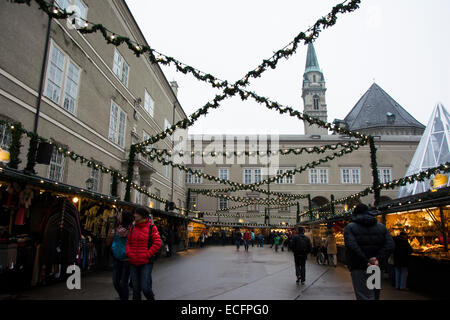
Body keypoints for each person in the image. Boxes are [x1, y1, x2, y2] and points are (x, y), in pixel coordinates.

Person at [344, 204, 394, 300]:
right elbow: (390, 245)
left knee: (363, 295)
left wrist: (366, 261)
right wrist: (377, 259)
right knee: (374, 294)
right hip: (376, 266)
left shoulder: (350, 227)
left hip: (359, 266)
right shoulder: (381, 227)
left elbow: (352, 246)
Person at [126, 207, 161, 300]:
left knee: (145, 288)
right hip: (133, 261)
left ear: (142, 215)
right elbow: (128, 242)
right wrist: (129, 253)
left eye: (136, 213)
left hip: (146, 262)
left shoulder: (151, 227)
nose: (134, 215)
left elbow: (158, 243)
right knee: (136, 290)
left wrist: (147, 255)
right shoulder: (133, 227)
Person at [110, 210, 134, 300]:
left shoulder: (132, 230)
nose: (119, 216)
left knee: (123, 283)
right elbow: (112, 241)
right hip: (117, 258)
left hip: (127, 260)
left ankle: (124, 298)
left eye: (120, 215)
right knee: (115, 282)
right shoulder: (117, 228)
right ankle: (122, 296)